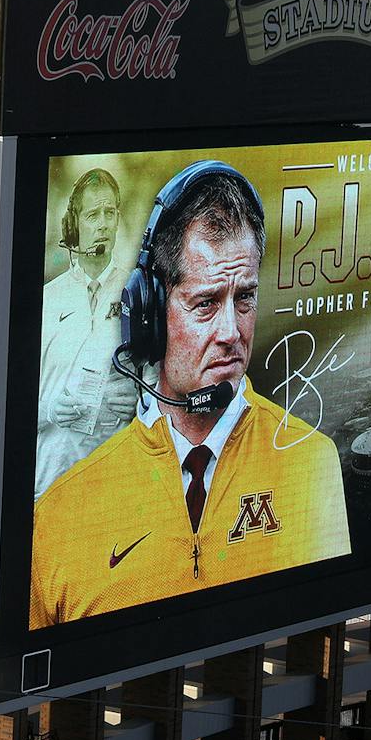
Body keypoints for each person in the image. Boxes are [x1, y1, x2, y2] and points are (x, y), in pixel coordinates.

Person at [30, 161, 350, 628]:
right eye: (205, 303)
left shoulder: (313, 465)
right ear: (150, 313)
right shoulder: (62, 511)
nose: (231, 333)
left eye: (244, 299)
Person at [35, 168, 139, 497]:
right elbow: (10, 403)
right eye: (94, 214)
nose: (104, 223)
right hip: (52, 478)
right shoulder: (49, 298)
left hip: (113, 480)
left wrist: (141, 404)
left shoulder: (136, 291)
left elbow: (160, 386)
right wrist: (49, 408)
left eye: (110, 213)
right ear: (74, 224)